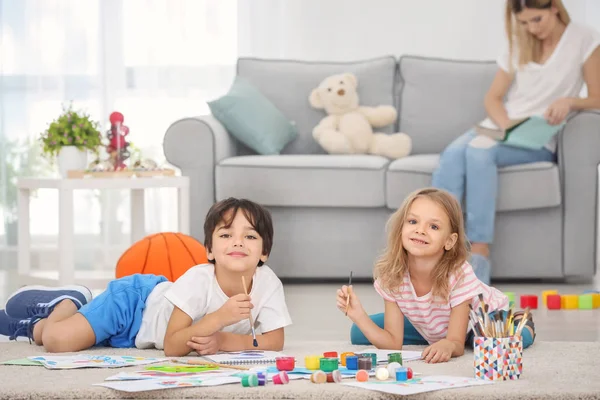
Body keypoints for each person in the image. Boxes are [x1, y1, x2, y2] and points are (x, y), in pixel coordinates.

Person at [431, 0, 600, 284]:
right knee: (452, 154)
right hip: (503, 127)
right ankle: (436, 251)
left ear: (554, 8)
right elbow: (493, 98)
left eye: (537, 20)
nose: (531, 29)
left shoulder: (583, 38)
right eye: (523, 23)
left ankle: (479, 251)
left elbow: (597, 95)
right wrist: (507, 126)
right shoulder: (519, 42)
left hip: (537, 136)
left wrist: (570, 101)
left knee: (478, 151)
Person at [0, 198, 292, 356]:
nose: (238, 242)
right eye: (226, 234)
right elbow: (174, 345)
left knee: (44, 335)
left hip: (139, 338)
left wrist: (223, 341)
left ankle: (30, 326)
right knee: (58, 342)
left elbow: (274, 341)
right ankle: (69, 300)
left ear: (264, 252)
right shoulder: (197, 280)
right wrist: (218, 319)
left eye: (250, 236)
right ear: (210, 250)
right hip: (133, 304)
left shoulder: (268, 284)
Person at [337, 188, 535, 364]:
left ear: (449, 241)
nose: (420, 230)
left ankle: (522, 323)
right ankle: (435, 337)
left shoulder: (459, 274)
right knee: (358, 331)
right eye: (413, 221)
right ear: (401, 230)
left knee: (489, 341)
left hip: (479, 321)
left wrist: (449, 345)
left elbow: (456, 343)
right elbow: (392, 343)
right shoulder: (392, 277)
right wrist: (358, 315)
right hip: (431, 323)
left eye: (434, 227)